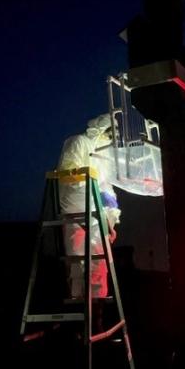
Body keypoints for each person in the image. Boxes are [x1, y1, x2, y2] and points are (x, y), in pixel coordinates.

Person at [57, 113, 121, 301]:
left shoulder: (102, 157)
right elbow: (69, 177)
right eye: (110, 136)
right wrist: (93, 191)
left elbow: (107, 189)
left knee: (98, 263)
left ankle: (96, 312)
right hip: (76, 208)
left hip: (94, 211)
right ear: (101, 131)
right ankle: (79, 312)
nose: (111, 141)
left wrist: (110, 222)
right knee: (78, 261)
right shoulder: (78, 142)